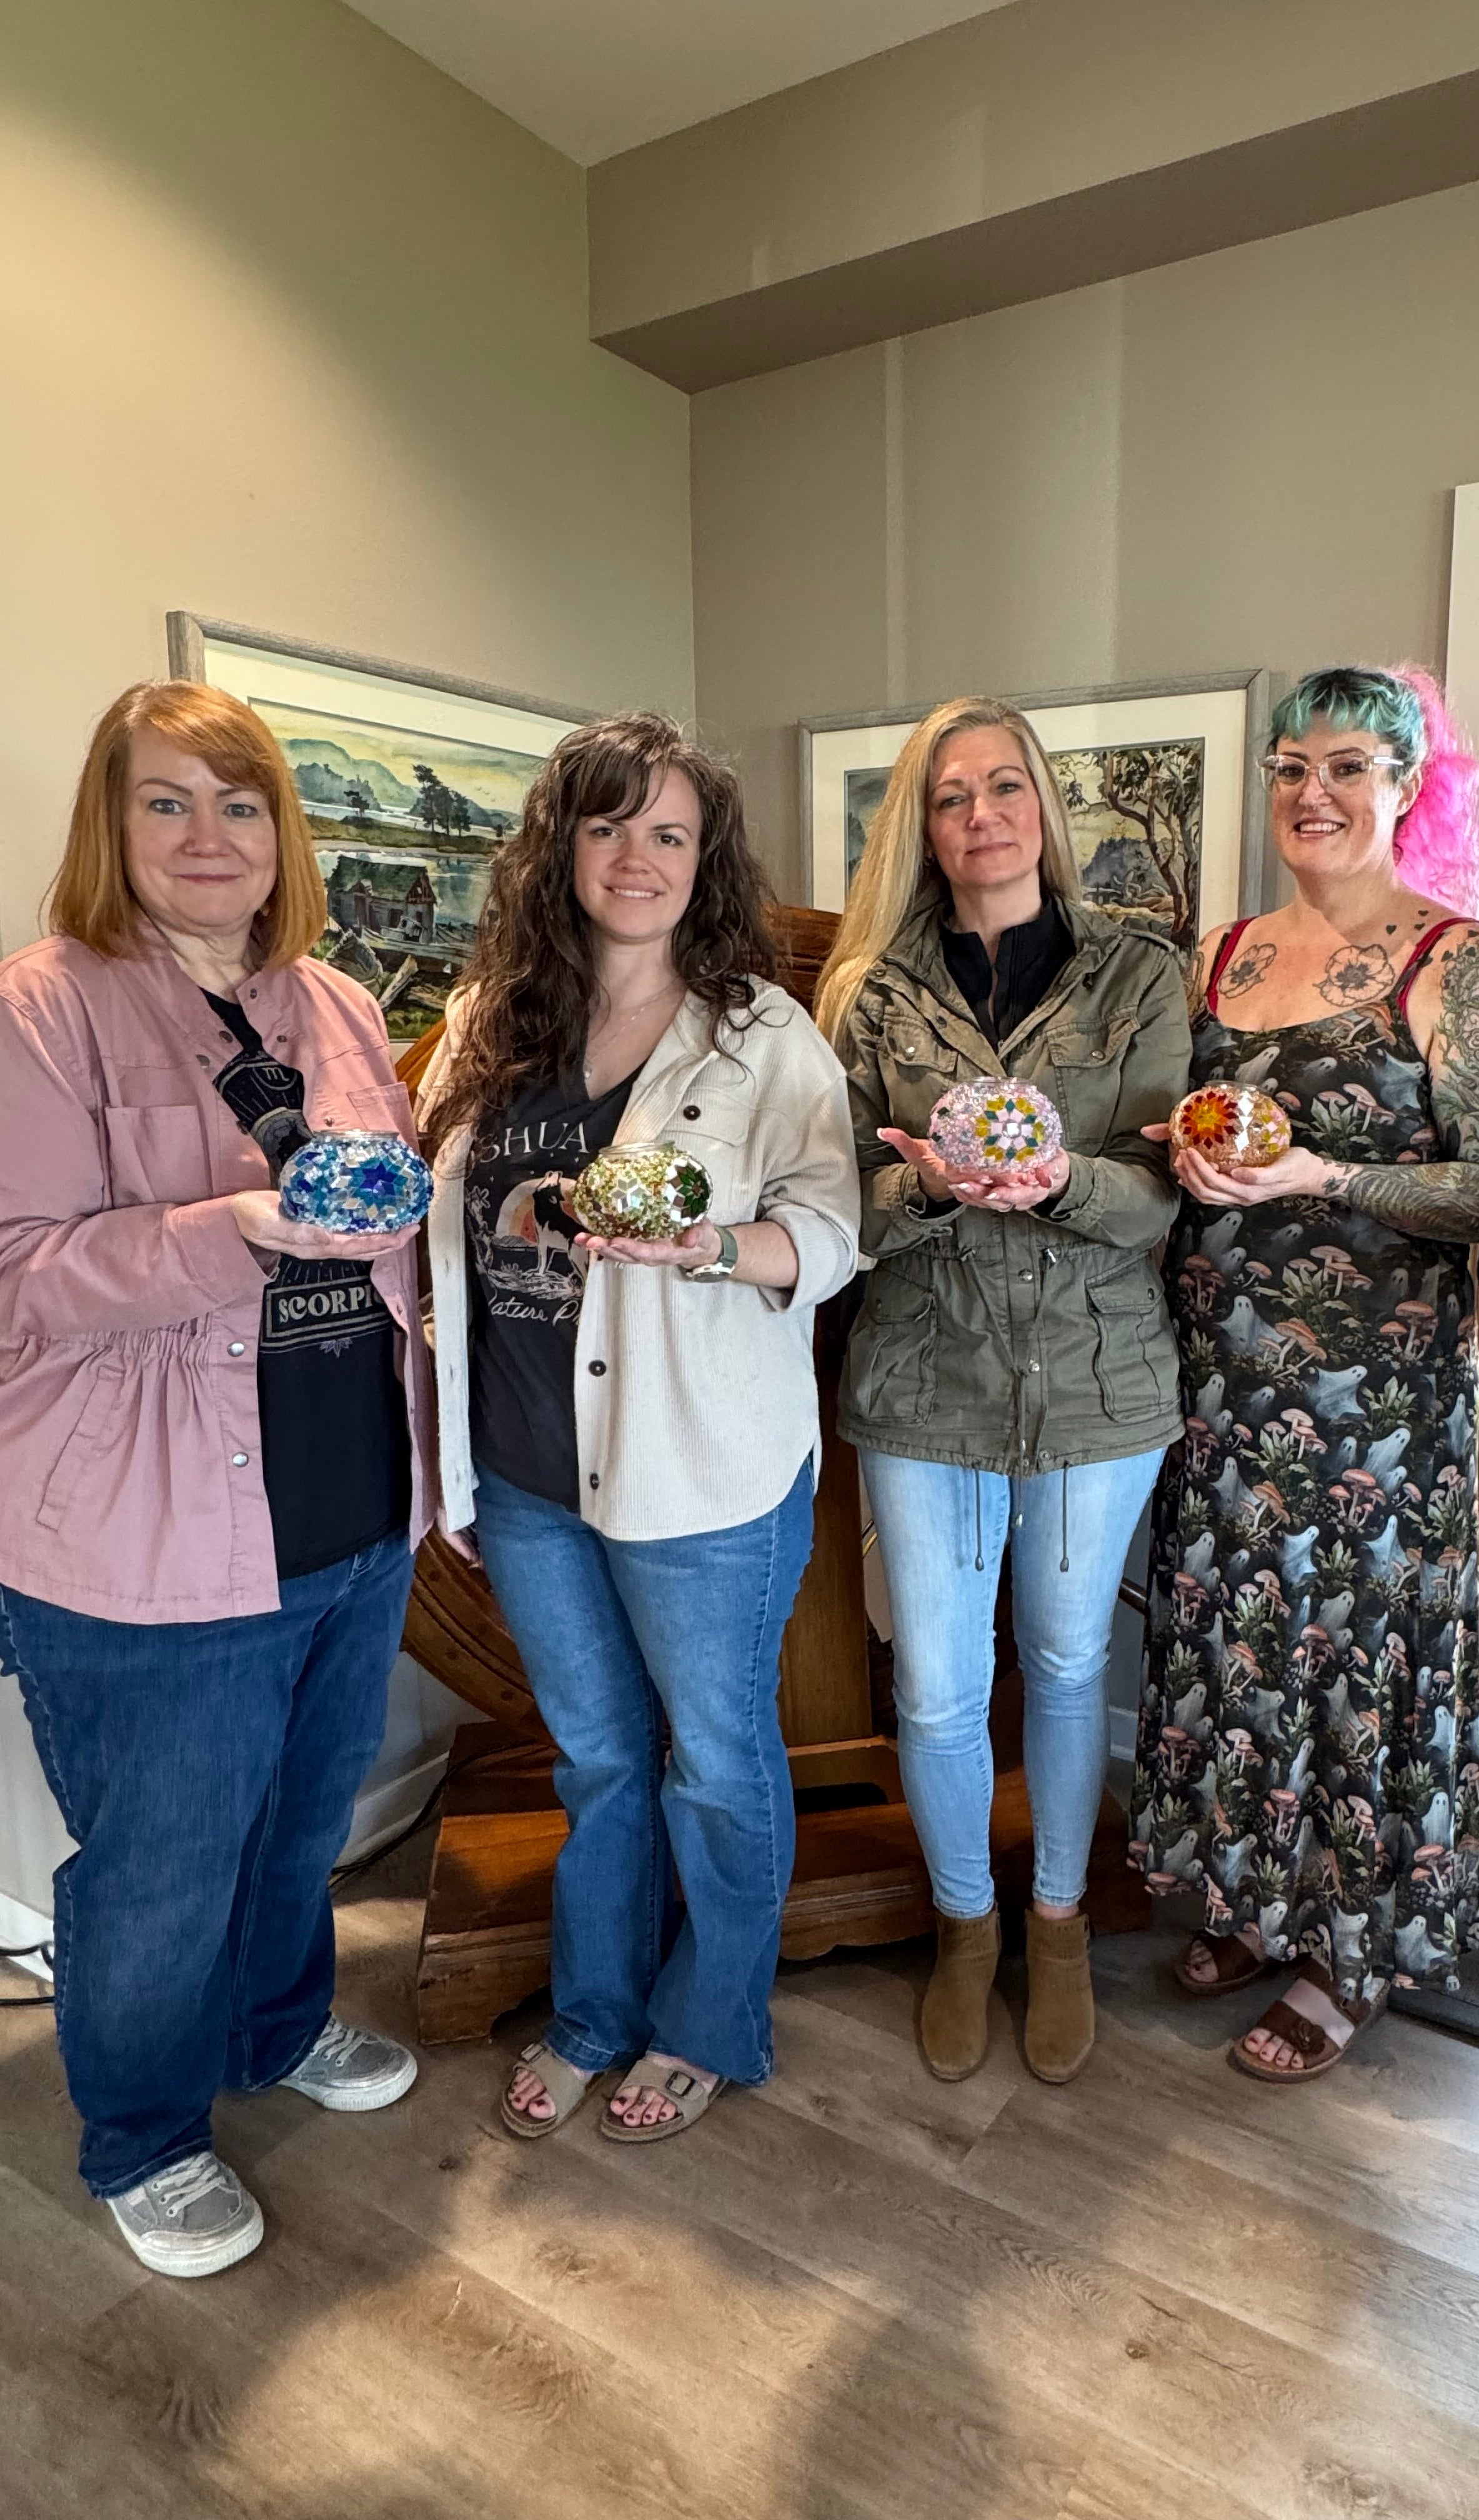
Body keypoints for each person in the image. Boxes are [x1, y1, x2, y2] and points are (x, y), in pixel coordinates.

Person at [0, 681, 437, 2279]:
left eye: (240, 804)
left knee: (299, 1818)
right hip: (149, 1528)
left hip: (346, 1501)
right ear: (111, 827)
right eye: (168, 802)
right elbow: (15, 1278)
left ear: (282, 835)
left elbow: (387, 1214)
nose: (208, 836)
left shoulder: (331, 1001)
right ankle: (142, 2131)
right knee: (160, 1859)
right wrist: (229, 1236)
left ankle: (273, 2026)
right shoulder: (41, 1008)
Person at [421, 713, 858, 2144]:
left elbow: (832, 1227)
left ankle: (707, 2023)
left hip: (707, 1462)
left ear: (704, 860)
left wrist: (719, 1251)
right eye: (609, 827)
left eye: (669, 833)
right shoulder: (496, 1021)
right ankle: (594, 2011)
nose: (639, 858)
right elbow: (442, 1228)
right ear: (563, 849)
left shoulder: (761, 1034)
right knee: (600, 1759)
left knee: (718, 1764)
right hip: (533, 1466)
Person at [1132, 665, 1479, 2082]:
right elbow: (1190, 1128)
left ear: (1407, 787)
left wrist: (1327, 1170)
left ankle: (1347, 1953)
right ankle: (1252, 1900)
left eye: (1352, 766)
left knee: (1348, 1662)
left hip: (1377, 1409)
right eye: (1292, 764)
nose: (1316, 792)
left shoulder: (1458, 962)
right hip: (1220, 1382)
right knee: (1235, 1648)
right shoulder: (1223, 953)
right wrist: (1164, 1153)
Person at [817, 696, 1191, 2086]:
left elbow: (1162, 1196)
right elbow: (832, 1208)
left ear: (1044, 807)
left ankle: (1061, 1924)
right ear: (921, 824)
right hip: (925, 1381)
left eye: (1006, 788)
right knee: (936, 1689)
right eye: (952, 794)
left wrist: (1060, 1183)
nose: (983, 815)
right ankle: (966, 1929)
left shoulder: (1137, 973)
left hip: (1098, 1381)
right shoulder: (867, 994)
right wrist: (919, 1183)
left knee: (1072, 1664)